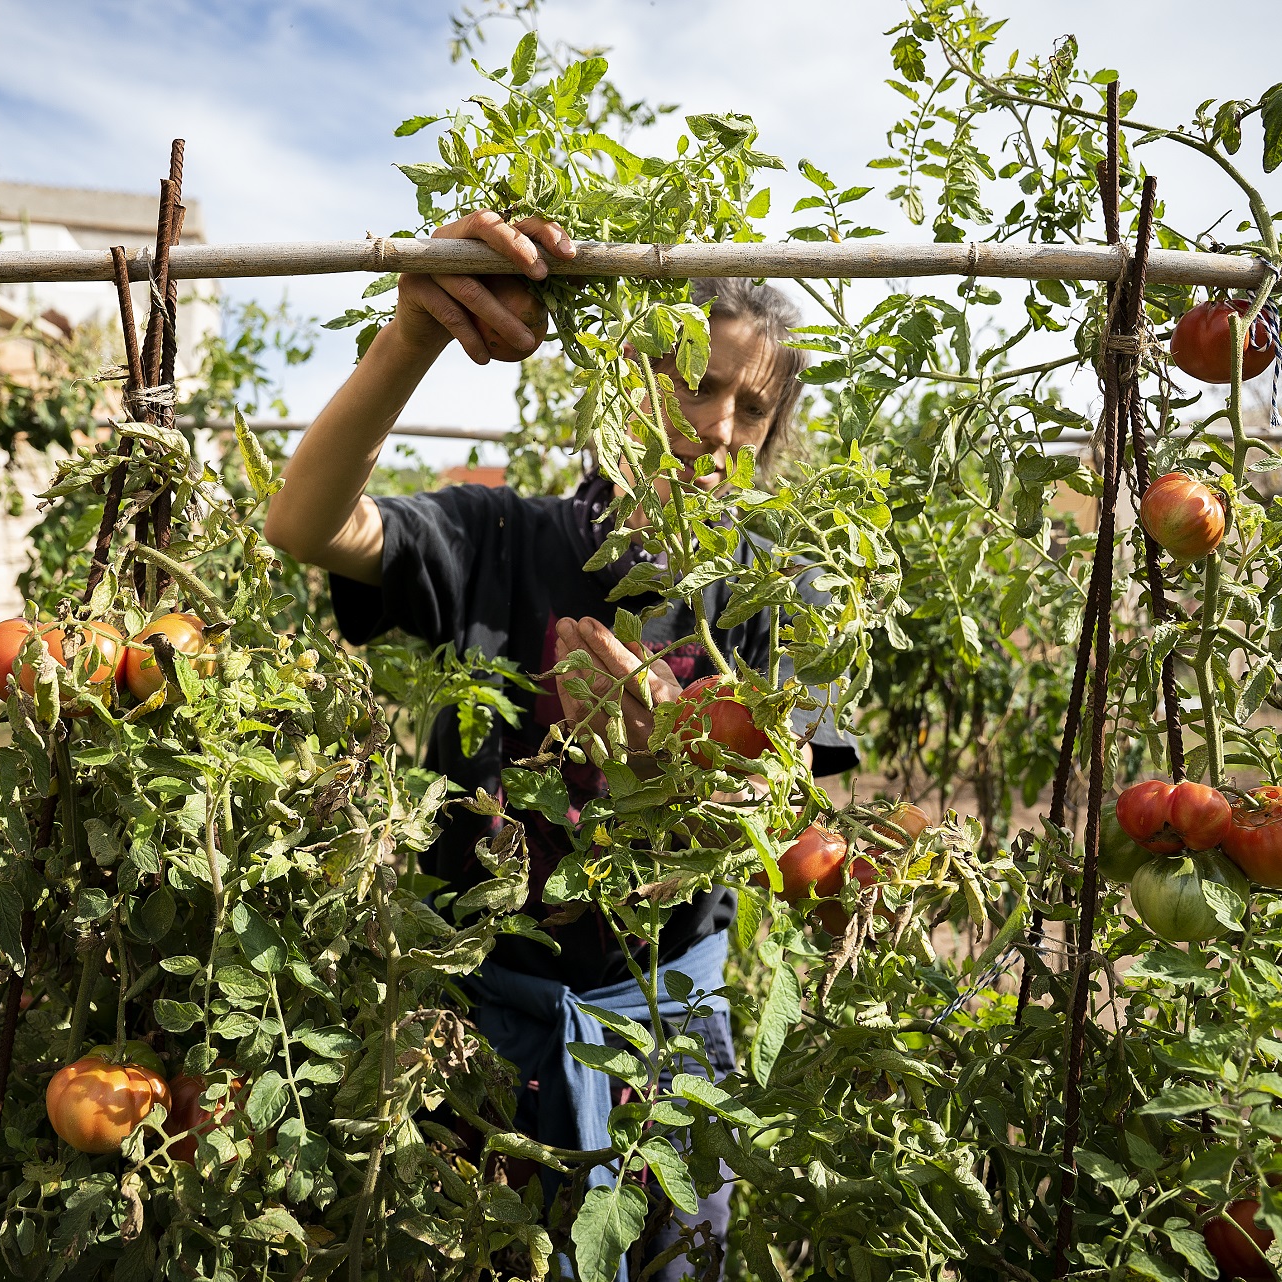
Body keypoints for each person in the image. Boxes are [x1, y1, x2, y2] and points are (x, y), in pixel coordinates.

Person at [264, 211, 858, 1281]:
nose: (722, 425)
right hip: (489, 1021)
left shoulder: (776, 589)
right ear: (627, 388)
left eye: (754, 407)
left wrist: (666, 749)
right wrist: (414, 333)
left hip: (667, 1026)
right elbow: (307, 523)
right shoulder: (503, 540)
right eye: (696, 383)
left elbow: (781, 816)